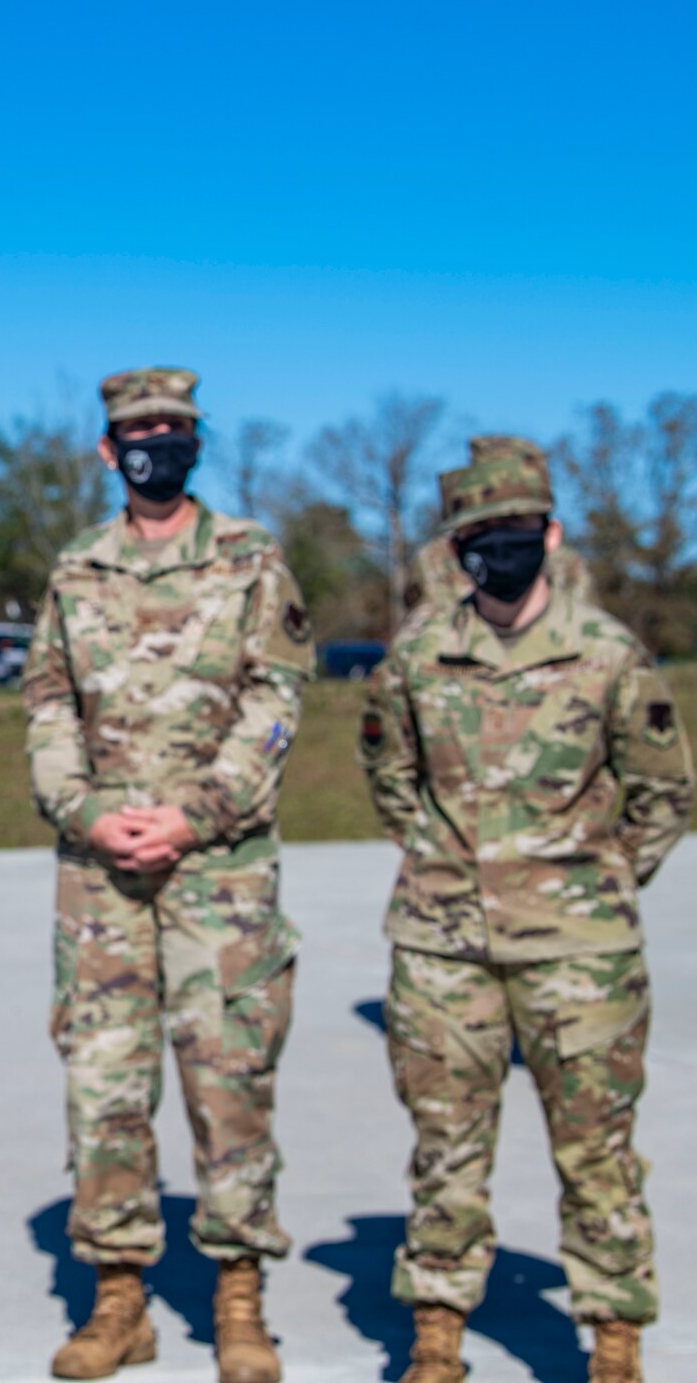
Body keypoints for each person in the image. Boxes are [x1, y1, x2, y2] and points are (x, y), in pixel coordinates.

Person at [359, 448, 691, 1383]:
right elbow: (391, 779)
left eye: (517, 534)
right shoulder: (419, 655)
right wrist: (446, 864)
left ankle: (614, 1342)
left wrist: (598, 878)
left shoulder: (609, 654)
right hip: (442, 949)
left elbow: (663, 793)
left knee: (598, 1155)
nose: (501, 554)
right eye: (480, 540)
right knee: (445, 1152)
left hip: (582, 955)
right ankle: (437, 1336)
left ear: (549, 535)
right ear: (456, 549)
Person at [25, 368, 312, 1383]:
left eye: (172, 428)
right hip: (99, 881)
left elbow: (273, 706)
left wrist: (193, 815)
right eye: (136, 431)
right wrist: (90, 812)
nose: (155, 442)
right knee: (102, 1085)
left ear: (196, 443)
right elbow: (46, 712)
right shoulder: (74, 572)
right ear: (108, 451)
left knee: (227, 1084)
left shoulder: (250, 560)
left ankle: (239, 1303)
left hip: (218, 873)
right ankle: (118, 1302)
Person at [404, 435, 594, 618]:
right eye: (480, 525)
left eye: (515, 519)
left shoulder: (569, 565)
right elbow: (416, 617)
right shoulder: (434, 560)